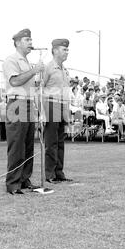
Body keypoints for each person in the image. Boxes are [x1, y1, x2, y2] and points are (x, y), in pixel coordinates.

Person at [2, 28, 44, 194]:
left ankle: (24, 180)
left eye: (31, 40)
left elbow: (28, 84)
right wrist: (34, 71)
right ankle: (13, 183)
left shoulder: (26, 62)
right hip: (16, 104)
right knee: (17, 145)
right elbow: (15, 81)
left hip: (28, 103)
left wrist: (37, 81)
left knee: (27, 145)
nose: (31, 43)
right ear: (18, 42)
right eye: (27, 40)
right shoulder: (11, 60)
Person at [43, 38, 73, 183]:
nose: (67, 52)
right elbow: (39, 89)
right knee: (51, 142)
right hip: (50, 105)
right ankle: (49, 174)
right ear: (55, 50)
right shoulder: (47, 68)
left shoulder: (65, 71)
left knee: (60, 142)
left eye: (67, 49)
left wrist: (67, 112)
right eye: (64, 49)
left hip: (62, 106)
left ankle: (59, 172)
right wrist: (41, 113)